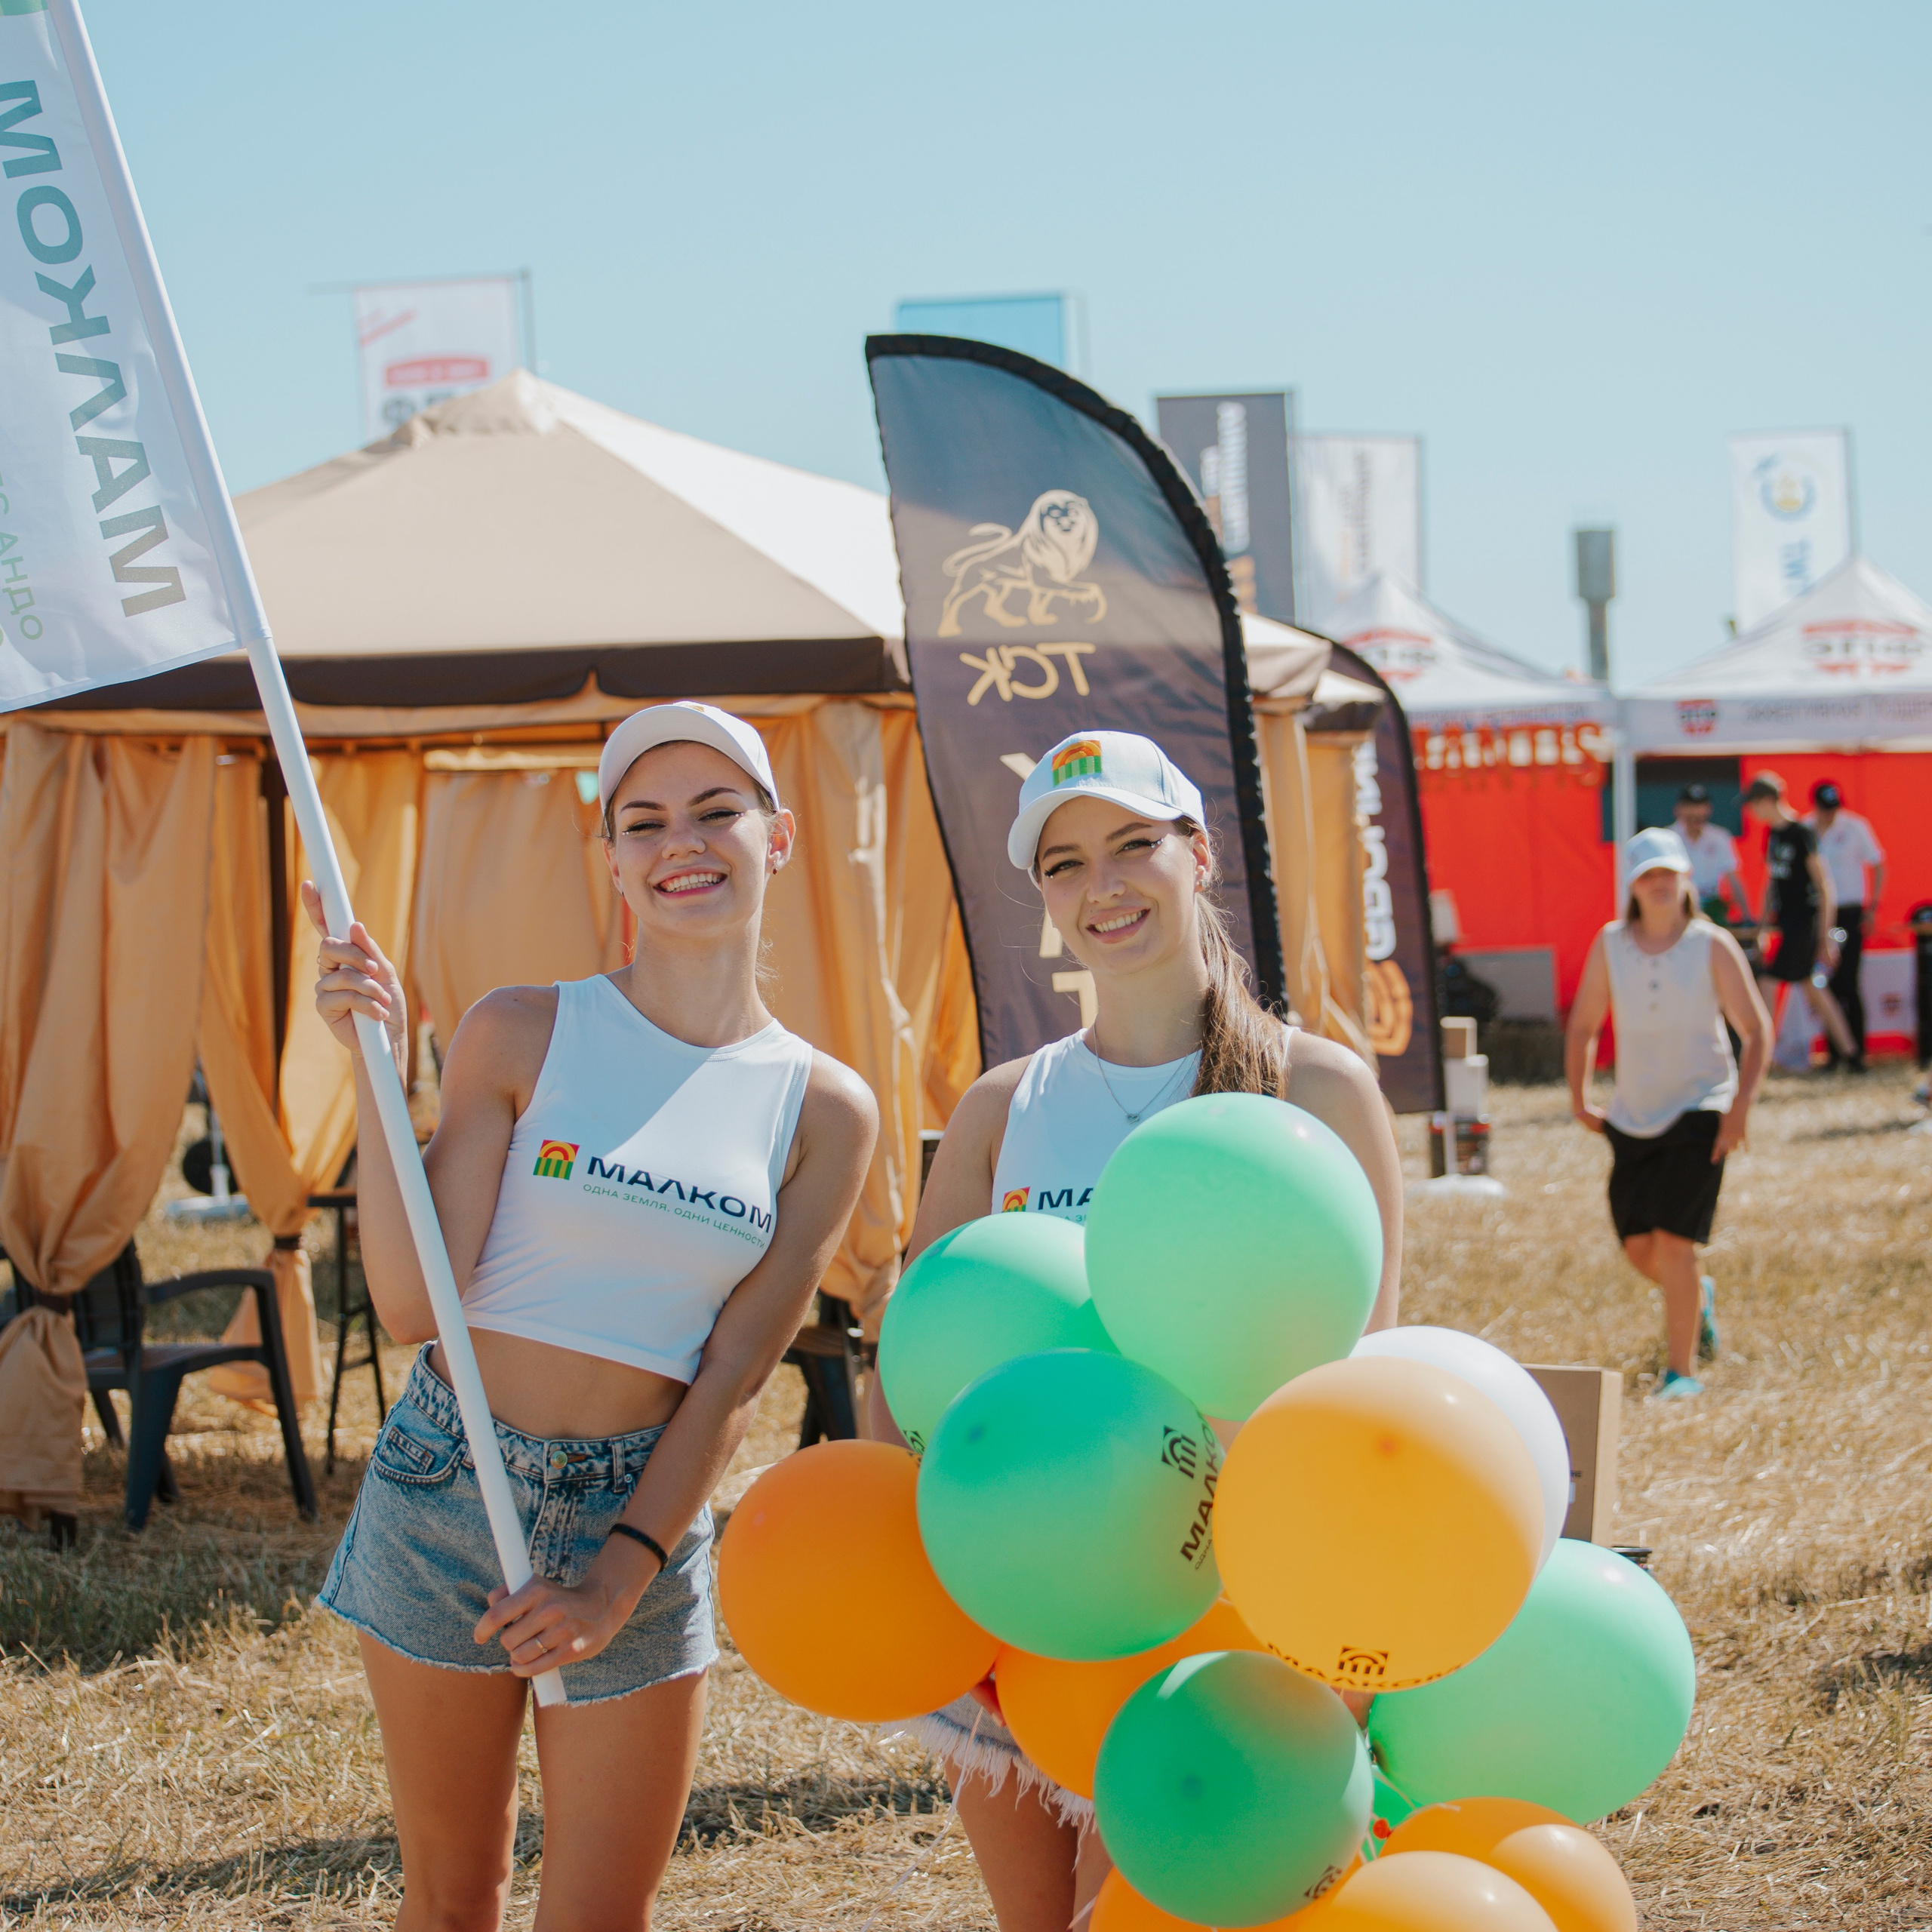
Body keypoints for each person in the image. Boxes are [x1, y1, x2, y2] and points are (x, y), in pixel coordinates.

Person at [308, 703, 876, 1931]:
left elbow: (731, 1373)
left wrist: (622, 1578)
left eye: (718, 811)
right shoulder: (522, 1028)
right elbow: (413, 1304)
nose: (685, 842)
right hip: (451, 1482)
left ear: (776, 838)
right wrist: (372, 1064)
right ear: (611, 858)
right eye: (646, 821)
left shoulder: (826, 1107)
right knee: (454, 1900)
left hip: (642, 1517)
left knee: (600, 1917)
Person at [869, 730, 1404, 1932]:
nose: (1100, 886)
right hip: (1008, 1603)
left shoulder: (1312, 1092)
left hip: (1212, 1615)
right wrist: (944, 1596)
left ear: (1199, 852)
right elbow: (912, 1370)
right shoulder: (1004, 1107)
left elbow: (1359, 1378)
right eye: (1065, 864)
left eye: (1131, 846)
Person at [1565, 827, 1769, 1399]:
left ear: (1686, 882)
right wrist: (1579, 1097)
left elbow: (1756, 1032)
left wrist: (1738, 1111)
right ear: (1632, 885)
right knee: (1639, 1248)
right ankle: (1697, 1299)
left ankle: (1682, 1374)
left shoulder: (1712, 944)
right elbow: (1584, 1025)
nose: (1659, 884)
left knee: (1676, 1243)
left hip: (1700, 1108)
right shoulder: (1610, 944)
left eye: (1668, 874)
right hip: (1632, 1116)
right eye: (1648, 875)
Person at [1743, 771, 1859, 1069]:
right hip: (1787, 922)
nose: (1752, 812)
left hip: (1805, 922)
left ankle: (1759, 1058)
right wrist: (1761, 923)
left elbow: (1824, 886)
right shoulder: (1774, 834)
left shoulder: (1801, 833)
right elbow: (1772, 881)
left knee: (1768, 983)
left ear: (1768, 801)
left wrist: (1825, 937)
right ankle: (1852, 1055)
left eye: (1754, 804)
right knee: (1813, 989)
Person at [1804, 780, 1886, 1067]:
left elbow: (1878, 863)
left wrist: (1872, 908)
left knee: (1849, 980)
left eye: (1833, 808)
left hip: (1848, 914)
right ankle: (1835, 1053)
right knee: (1823, 983)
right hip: (1819, 915)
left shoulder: (1854, 826)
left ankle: (1856, 1052)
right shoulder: (1805, 829)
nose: (1830, 815)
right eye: (1825, 809)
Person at [1672, 783, 1749, 926]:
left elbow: (1733, 877)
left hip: (1711, 911)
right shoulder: (1668, 837)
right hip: (1677, 909)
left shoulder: (1719, 837)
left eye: (1701, 807)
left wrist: (1747, 917)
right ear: (1678, 809)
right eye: (1691, 807)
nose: (1697, 813)